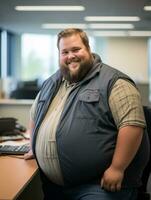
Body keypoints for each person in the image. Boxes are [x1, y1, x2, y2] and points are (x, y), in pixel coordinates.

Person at [24, 28, 150, 200]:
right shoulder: (51, 83)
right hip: (54, 186)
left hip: (99, 186)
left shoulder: (114, 82)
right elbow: (35, 115)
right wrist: (34, 146)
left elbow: (132, 125)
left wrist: (117, 168)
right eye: (65, 52)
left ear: (89, 49)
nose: (70, 56)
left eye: (76, 49)